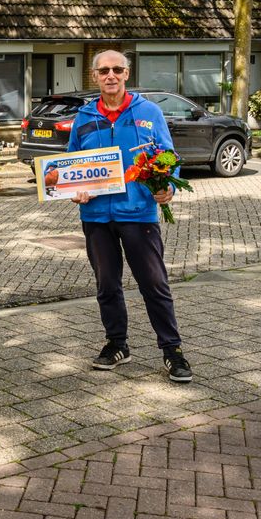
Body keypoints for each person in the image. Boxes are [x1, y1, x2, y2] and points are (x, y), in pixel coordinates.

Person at [69, 50, 194, 383]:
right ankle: (117, 344)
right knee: (107, 285)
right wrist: (75, 190)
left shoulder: (149, 112)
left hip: (139, 214)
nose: (111, 75)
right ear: (94, 76)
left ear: (126, 73)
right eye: (104, 70)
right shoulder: (82, 118)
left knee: (154, 284)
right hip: (96, 216)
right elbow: (70, 166)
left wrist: (169, 187)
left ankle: (173, 351)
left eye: (117, 70)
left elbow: (169, 157)